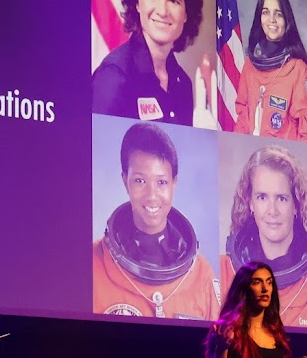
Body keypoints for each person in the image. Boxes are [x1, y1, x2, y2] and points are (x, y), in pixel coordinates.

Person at [93, 121, 221, 319]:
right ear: (125, 180)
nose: (152, 196)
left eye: (161, 182)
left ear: (174, 183)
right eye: (140, 181)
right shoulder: (93, 263)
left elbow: (219, 348)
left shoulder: (201, 275)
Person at [92, 0, 204, 126]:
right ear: (136, 3)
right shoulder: (114, 77)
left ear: (186, 13)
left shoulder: (183, 83)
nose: (162, 11)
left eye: (174, 0)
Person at [221, 145, 307, 330]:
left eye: (281, 198)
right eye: (262, 197)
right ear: (250, 203)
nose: (272, 211)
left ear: (296, 206)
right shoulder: (225, 272)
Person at [234, 0, 307, 143]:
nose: (271, 20)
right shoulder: (250, 65)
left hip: (282, 160)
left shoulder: (299, 71)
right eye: (265, 12)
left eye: (279, 14)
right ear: (259, 18)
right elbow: (243, 118)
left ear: (287, 20)